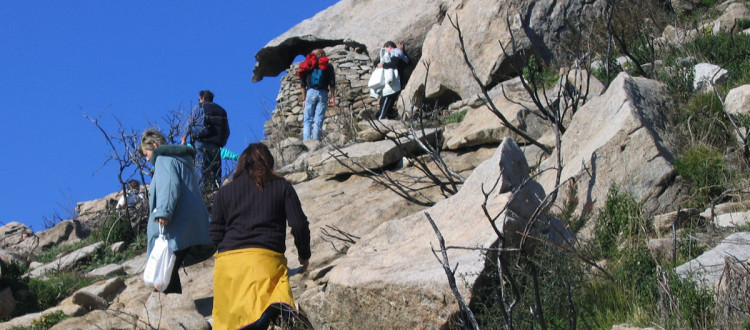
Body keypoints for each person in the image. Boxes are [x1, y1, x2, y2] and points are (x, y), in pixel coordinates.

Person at [210, 143, 311, 330]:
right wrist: (304, 254)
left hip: (227, 271)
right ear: (268, 163)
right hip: (264, 266)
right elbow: (299, 225)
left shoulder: (223, 193)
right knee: (262, 316)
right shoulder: (282, 186)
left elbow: (215, 236)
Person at [140, 129, 212, 294]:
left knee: (164, 273)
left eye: (147, 153)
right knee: (169, 270)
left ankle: (171, 312)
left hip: (176, 226)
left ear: (155, 145)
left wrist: (164, 212)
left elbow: (170, 185)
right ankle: (175, 308)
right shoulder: (180, 160)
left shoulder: (164, 160)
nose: (147, 158)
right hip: (190, 223)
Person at [181, 90, 230, 192]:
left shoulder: (199, 107)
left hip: (201, 141)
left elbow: (189, 123)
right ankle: (216, 192)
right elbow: (227, 131)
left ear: (202, 98)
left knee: (201, 168)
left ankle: (202, 194)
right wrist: (221, 143)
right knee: (216, 170)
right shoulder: (221, 111)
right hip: (216, 144)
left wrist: (184, 139)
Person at [298, 49, 336, 140]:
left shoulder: (308, 65)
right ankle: (316, 140)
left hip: (310, 92)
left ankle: (306, 140)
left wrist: (304, 99)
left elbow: (303, 84)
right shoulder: (329, 66)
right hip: (323, 93)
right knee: (318, 119)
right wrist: (332, 97)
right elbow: (332, 83)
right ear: (322, 54)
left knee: (308, 119)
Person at [375, 41, 409, 120]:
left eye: (386, 48)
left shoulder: (395, 53)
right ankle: (392, 117)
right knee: (387, 102)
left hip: (393, 84)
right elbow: (407, 62)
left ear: (389, 47)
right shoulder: (400, 55)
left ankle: (380, 119)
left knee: (386, 101)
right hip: (394, 83)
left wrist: (383, 65)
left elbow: (394, 64)